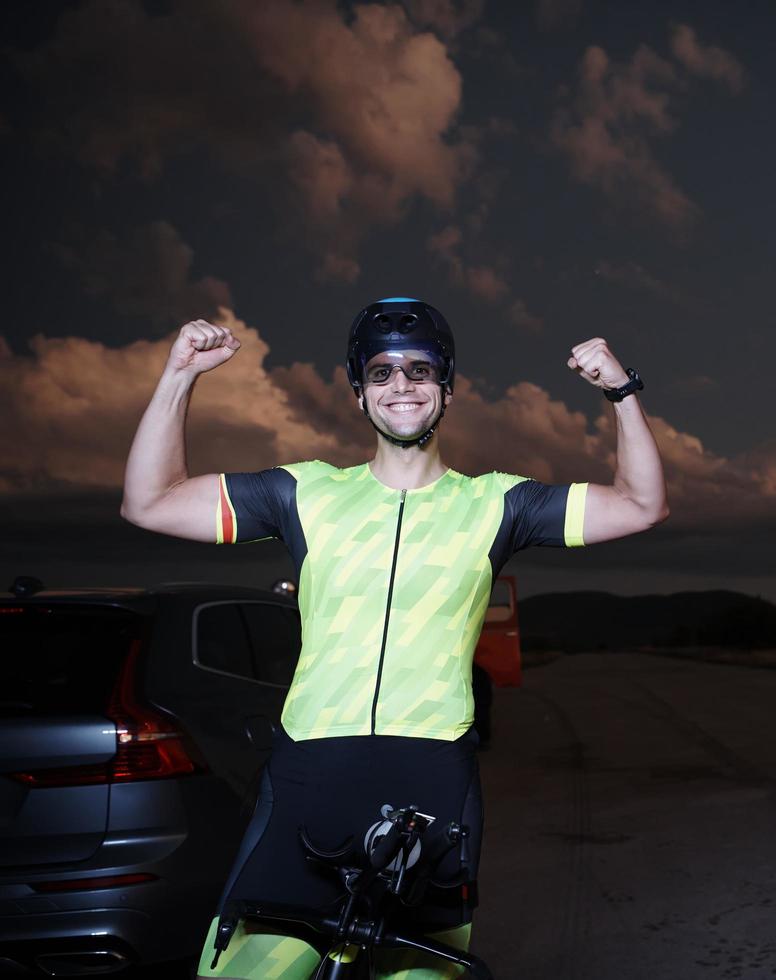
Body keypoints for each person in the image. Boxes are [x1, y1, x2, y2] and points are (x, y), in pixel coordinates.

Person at [121, 298, 669, 978]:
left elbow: (642, 505)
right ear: (358, 394)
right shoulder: (305, 493)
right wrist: (179, 374)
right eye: (381, 372)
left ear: (447, 389)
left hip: (430, 777)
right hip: (310, 773)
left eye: (420, 370)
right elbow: (149, 501)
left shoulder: (496, 503)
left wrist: (619, 391)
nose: (401, 385)